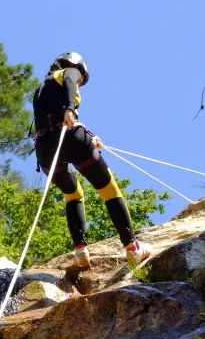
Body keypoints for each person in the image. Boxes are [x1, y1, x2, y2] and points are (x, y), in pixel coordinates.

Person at [32, 52, 153, 268]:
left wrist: (90, 135)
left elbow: (50, 117)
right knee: (108, 188)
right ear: (75, 65)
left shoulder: (40, 89)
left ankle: (81, 251)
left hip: (45, 151)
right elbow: (70, 82)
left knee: (73, 195)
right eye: (81, 78)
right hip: (69, 137)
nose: (79, 80)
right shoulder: (68, 72)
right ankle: (133, 248)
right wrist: (70, 108)